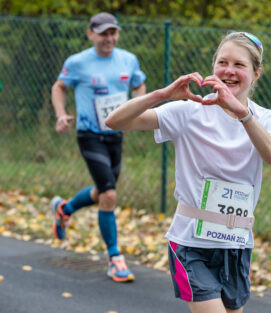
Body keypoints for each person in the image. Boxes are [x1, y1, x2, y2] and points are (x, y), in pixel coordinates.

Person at [106, 31, 271, 312]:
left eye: (239, 65)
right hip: (190, 243)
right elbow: (114, 121)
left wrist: (242, 113)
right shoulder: (188, 112)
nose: (229, 71)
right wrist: (161, 95)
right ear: (213, 67)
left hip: (236, 244)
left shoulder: (266, 118)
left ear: (256, 73)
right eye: (222, 62)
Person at [50, 12, 147, 282]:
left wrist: (137, 110)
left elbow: (139, 86)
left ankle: (65, 209)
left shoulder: (128, 59)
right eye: (103, 33)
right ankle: (115, 258)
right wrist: (60, 114)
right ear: (90, 34)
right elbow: (59, 87)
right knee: (110, 194)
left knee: (102, 193)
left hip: (117, 134)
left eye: (113, 32)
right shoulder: (77, 62)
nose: (109, 38)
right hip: (89, 134)